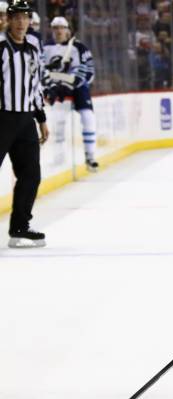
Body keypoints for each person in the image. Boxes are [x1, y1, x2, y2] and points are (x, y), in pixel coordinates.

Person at [0, 0, 49, 248]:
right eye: (16, 17)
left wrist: (41, 118)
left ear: (30, 21)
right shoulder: (0, 48)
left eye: (25, 18)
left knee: (31, 174)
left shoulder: (32, 49)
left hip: (25, 120)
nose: (21, 22)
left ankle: (20, 226)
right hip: (2, 118)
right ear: (8, 20)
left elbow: (35, 86)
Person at [43, 16, 99, 172]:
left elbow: (89, 71)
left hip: (78, 87)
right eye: (55, 28)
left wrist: (72, 82)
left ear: (68, 29)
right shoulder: (45, 47)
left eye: (61, 27)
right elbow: (42, 70)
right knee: (58, 121)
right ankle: (59, 156)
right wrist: (52, 83)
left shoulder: (79, 47)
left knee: (88, 117)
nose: (58, 31)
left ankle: (90, 156)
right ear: (51, 30)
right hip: (56, 88)